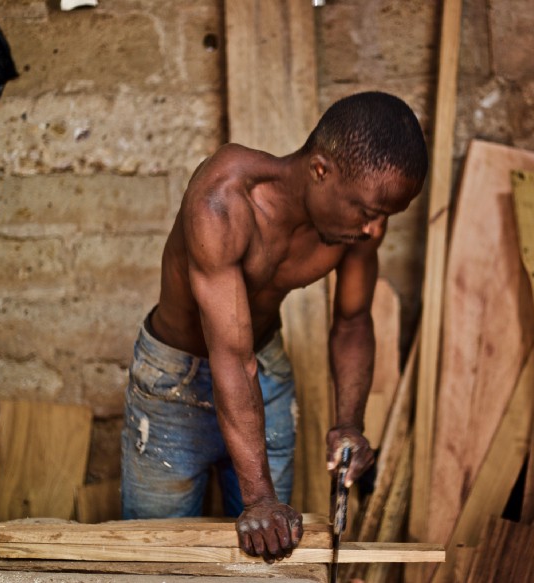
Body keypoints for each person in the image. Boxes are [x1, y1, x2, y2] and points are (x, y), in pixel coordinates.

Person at [120, 91, 428, 562]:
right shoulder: (222, 202)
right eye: (367, 211)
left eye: (386, 216)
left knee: (270, 562)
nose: (373, 229)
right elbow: (230, 357)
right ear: (321, 169)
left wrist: (348, 425)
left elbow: (352, 321)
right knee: (153, 561)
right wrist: (260, 498)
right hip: (173, 386)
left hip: (263, 371)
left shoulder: (359, 227)